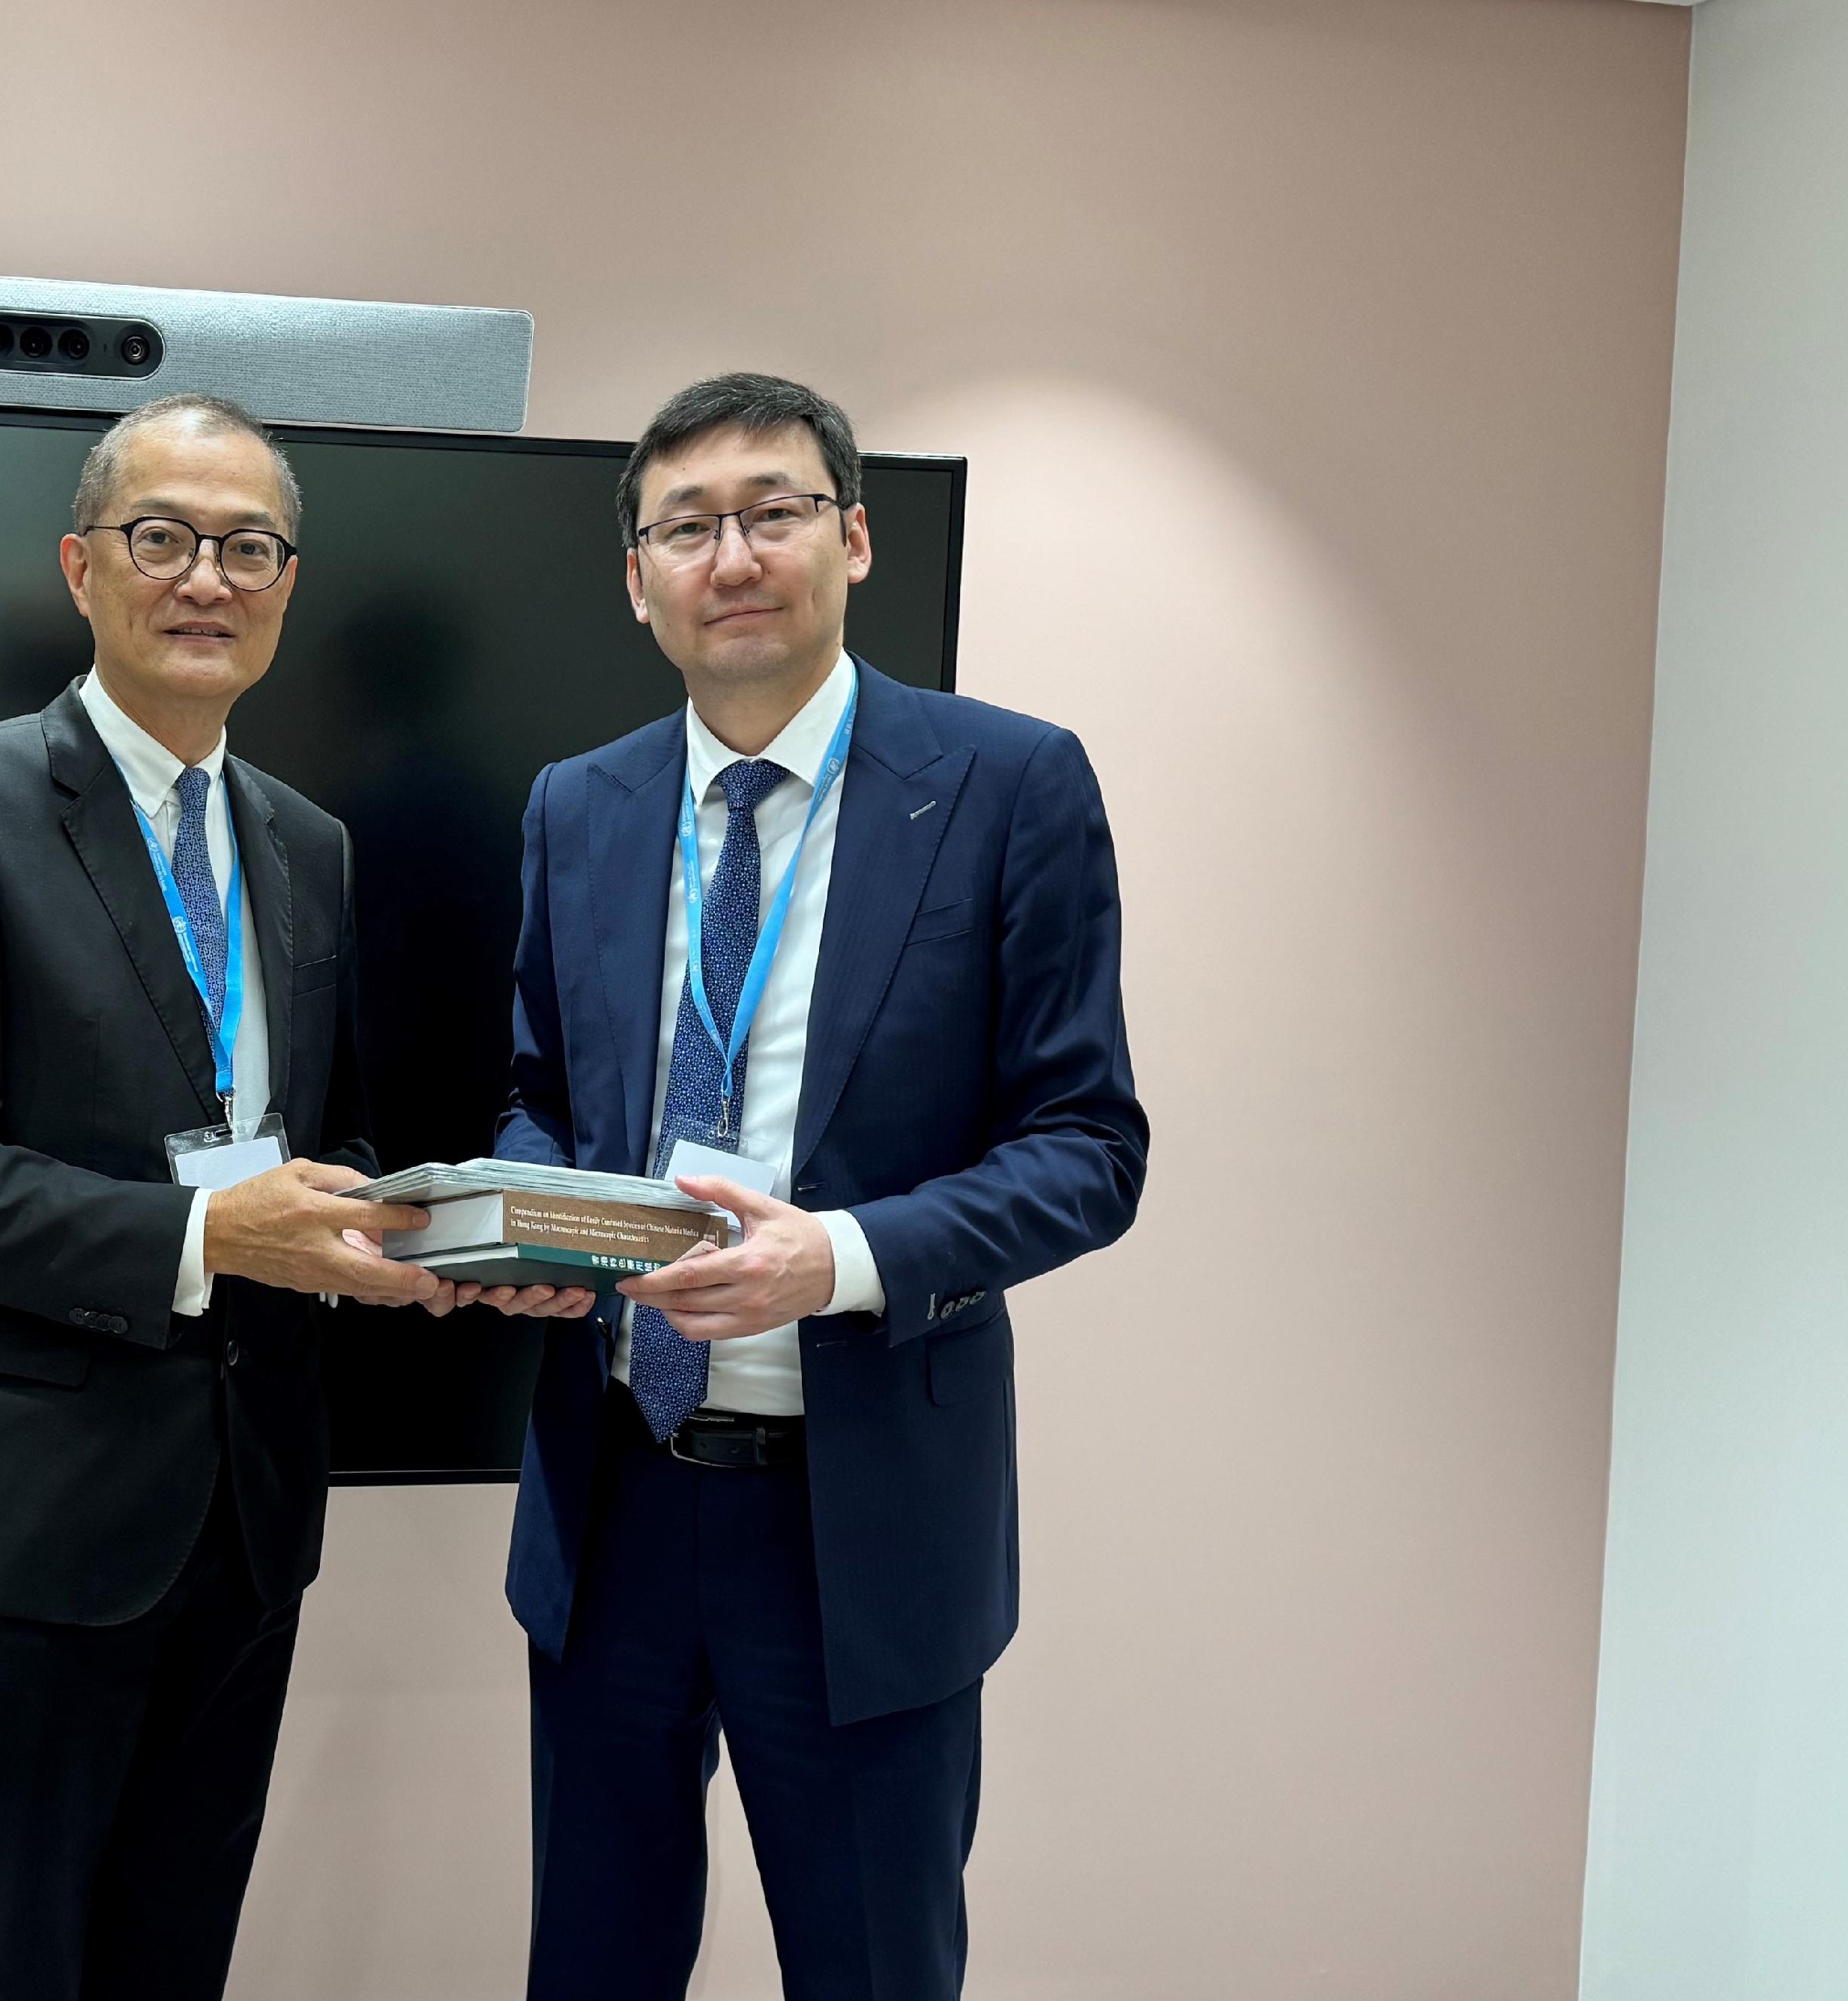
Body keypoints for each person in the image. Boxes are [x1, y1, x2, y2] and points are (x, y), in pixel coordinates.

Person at [474, 373, 1149, 1998]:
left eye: (771, 511)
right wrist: (530, 1216)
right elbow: (542, 1092)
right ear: (636, 582)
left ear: (851, 538)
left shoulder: (1003, 785)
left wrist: (834, 1258)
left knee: (869, 1966)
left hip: (855, 1518)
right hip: (616, 1489)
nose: (732, 554)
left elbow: (1086, 1147)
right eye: (684, 526)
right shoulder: (581, 804)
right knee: (591, 1960)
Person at [0, 392, 449, 2001]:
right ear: (81, 568)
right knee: (13, 1961)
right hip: (35, 1522)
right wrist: (198, 1236)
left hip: (247, 1511)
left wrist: (402, 1231)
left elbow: (332, 1131)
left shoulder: (305, 843)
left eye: (247, 548)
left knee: (174, 1957)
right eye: (161, 538)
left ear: (287, 586)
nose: (205, 580)